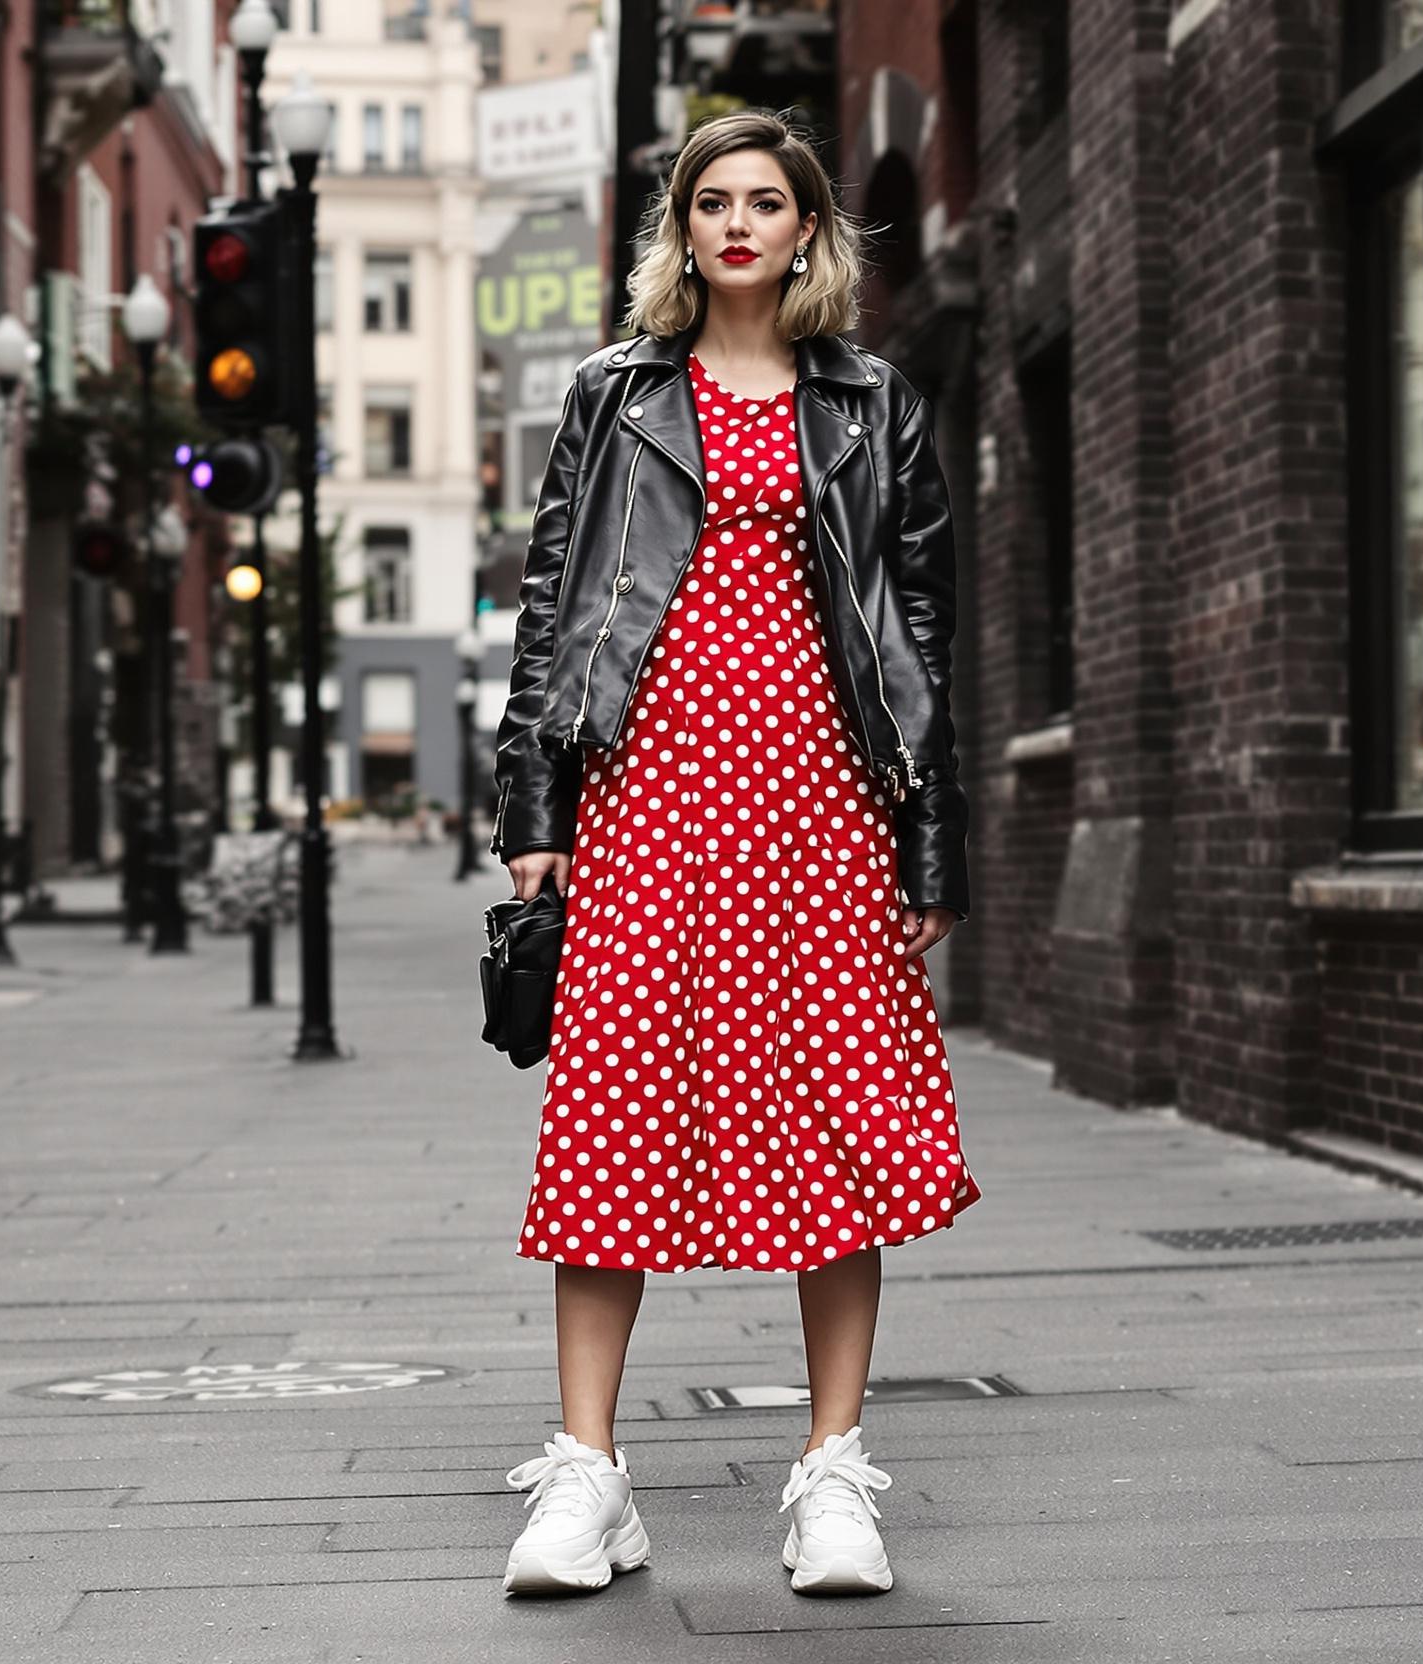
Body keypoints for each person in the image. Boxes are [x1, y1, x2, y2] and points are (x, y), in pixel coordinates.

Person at [487, 106, 978, 1599]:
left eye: (770, 201)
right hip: (645, 806)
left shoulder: (872, 402)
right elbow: (554, 606)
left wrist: (929, 847)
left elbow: (923, 636)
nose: (742, 224)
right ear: (681, 231)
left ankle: (832, 1483)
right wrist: (532, 819)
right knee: (610, 1129)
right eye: (715, 202)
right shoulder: (612, 395)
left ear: (811, 228)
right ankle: (590, 1482)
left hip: (824, 810)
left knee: (841, 1137)